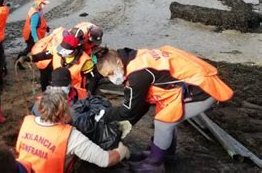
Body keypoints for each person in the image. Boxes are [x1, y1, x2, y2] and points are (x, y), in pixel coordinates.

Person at [95, 45, 234, 172]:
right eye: (107, 77)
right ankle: (164, 152)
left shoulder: (137, 75)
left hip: (202, 89)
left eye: (110, 73)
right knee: (164, 114)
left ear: (119, 63)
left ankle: (155, 163)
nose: (111, 79)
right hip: (191, 83)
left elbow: (129, 109)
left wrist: (105, 114)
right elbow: (142, 104)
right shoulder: (134, 56)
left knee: (164, 122)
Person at [16, 89, 130, 173]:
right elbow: (106, 160)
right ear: (64, 113)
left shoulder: (28, 121)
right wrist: (122, 150)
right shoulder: (69, 136)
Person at [19, 34, 96, 94]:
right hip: (57, 86)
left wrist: (89, 91)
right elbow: (43, 55)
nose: (61, 54)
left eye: (65, 52)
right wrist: (28, 58)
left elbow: (92, 78)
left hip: (73, 90)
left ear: (74, 50)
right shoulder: (56, 50)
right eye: (61, 51)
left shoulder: (85, 61)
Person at [16, 0, 49, 68]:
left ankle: (21, 59)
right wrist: (36, 39)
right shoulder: (35, 15)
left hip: (32, 33)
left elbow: (41, 21)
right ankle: (19, 60)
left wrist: (46, 27)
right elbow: (33, 27)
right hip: (31, 35)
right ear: (39, 3)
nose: (44, 5)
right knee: (30, 48)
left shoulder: (38, 10)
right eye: (43, 3)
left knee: (30, 48)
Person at [29, 27, 66, 91]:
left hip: (40, 57)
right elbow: (45, 54)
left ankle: (45, 91)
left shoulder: (50, 38)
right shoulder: (58, 47)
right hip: (47, 63)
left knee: (44, 78)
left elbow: (43, 55)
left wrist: (30, 58)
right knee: (50, 78)